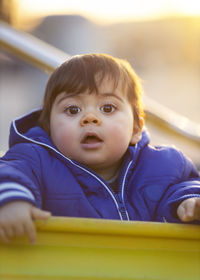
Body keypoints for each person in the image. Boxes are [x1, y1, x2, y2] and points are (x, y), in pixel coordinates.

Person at [0, 53, 200, 244]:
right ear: (49, 128)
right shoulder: (34, 161)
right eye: (73, 110)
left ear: (136, 129)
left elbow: (186, 185)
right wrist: (11, 201)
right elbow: (7, 173)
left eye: (107, 108)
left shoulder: (167, 165)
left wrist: (190, 203)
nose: (89, 118)